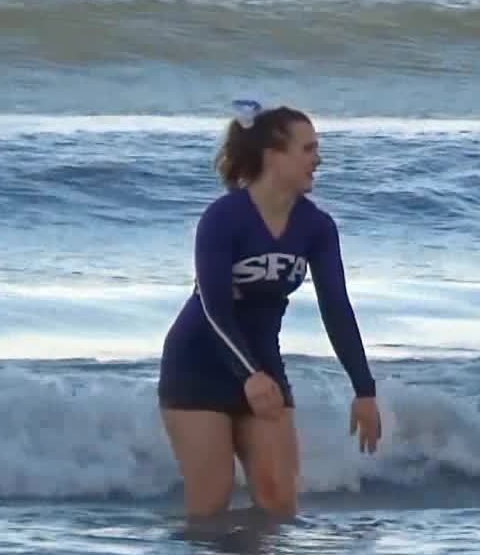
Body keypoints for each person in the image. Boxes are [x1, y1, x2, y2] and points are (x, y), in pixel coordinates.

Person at [157, 99, 382, 519]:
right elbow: (214, 308)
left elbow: (336, 308)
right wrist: (249, 375)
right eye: (308, 149)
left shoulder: (316, 227)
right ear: (273, 155)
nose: (318, 159)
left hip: (263, 363)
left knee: (279, 501)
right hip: (198, 365)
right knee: (211, 503)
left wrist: (364, 390)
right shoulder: (223, 218)